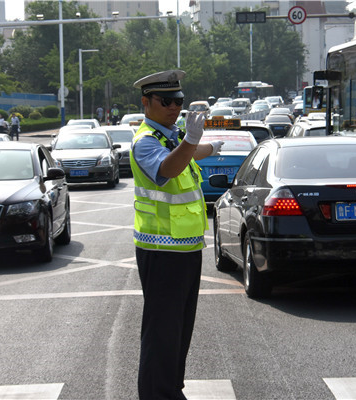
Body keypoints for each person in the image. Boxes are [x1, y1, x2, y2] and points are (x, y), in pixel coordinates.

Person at [130, 70, 223, 400]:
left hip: (184, 248)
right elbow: (166, 169)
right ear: (146, 103)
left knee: (180, 330)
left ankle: (171, 388)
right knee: (162, 331)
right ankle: (158, 394)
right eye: (166, 101)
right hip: (160, 249)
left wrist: (207, 147)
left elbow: (183, 156)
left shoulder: (168, 136)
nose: (174, 107)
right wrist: (191, 141)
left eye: (178, 101)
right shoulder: (146, 141)